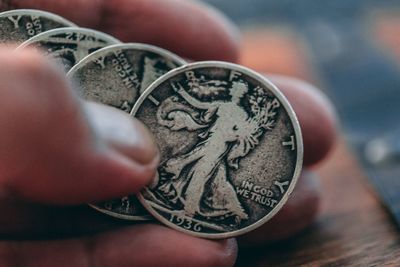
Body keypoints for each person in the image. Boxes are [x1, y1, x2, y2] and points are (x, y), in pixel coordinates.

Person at [0, 0, 337, 266]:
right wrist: (185, 99)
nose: (232, 96)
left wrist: (243, 133)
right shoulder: (225, 108)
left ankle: (212, 209)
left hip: (213, 150)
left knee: (203, 176)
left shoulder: (232, 111)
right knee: (193, 172)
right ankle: (207, 207)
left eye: (235, 94)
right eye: (232, 93)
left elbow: (232, 131)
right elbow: (198, 111)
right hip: (208, 146)